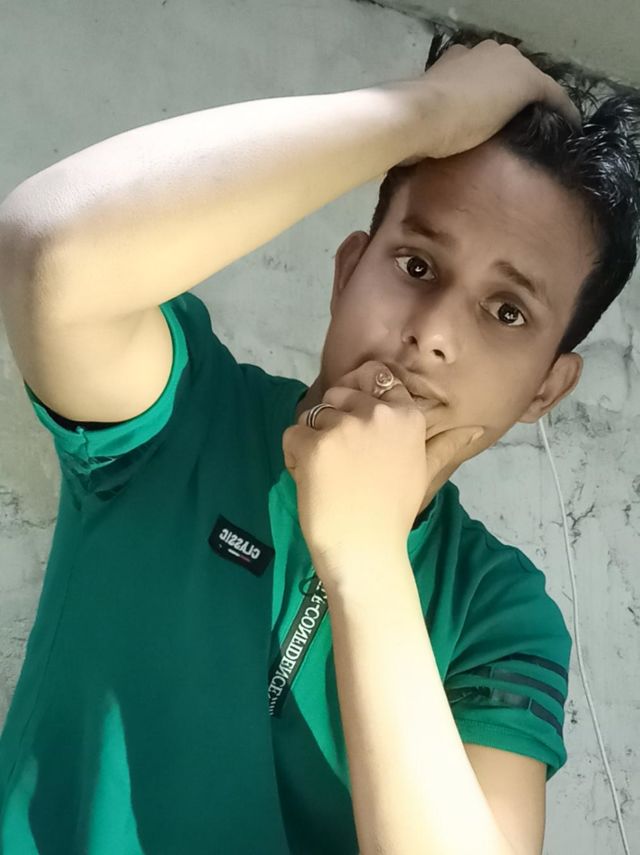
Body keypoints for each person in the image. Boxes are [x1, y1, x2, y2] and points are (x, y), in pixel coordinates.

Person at [0, 28, 637, 855]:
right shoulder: (181, 413)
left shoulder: (498, 613)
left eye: (506, 312)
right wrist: (427, 111)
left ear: (545, 389)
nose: (433, 334)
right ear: (346, 274)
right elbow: (45, 248)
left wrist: (367, 554)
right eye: (416, 266)